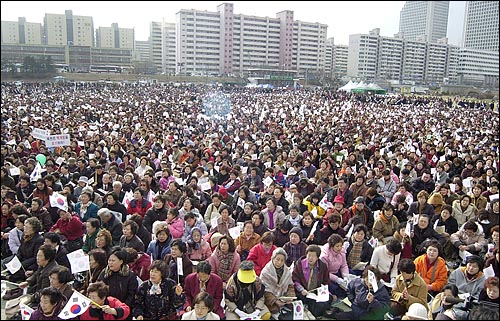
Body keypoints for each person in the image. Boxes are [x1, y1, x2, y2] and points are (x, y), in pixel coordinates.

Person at [292, 244, 332, 318]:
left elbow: (326, 281)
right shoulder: (300, 264)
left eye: (313, 256)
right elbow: (295, 279)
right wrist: (301, 289)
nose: (310, 258)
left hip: (316, 292)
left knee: (328, 299)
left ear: (317, 257)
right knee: (311, 305)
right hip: (303, 292)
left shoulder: (322, 266)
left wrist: (323, 290)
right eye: (309, 255)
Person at [259, 248, 296, 317]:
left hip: (282, 296)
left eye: (282, 260)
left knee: (292, 306)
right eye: (277, 259)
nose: (279, 262)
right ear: (272, 258)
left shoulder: (287, 271)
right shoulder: (266, 272)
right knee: (274, 309)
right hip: (269, 297)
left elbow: (290, 285)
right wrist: (275, 300)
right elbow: (264, 289)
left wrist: (290, 297)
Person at [7, 217, 44, 282]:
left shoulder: (39, 240)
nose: (25, 229)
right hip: (23, 260)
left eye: (27, 227)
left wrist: (21, 264)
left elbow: (35, 257)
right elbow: (20, 251)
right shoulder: (24, 236)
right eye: (25, 226)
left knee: (19, 273)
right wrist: (17, 261)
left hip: (32, 264)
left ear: (34, 229)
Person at [320, 233, 349, 299]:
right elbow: (325, 272)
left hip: (338, 271)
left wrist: (346, 276)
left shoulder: (342, 252)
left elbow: (344, 265)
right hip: (327, 276)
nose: (339, 248)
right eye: (337, 246)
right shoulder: (324, 256)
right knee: (336, 289)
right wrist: (337, 279)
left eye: (340, 246)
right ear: (332, 246)